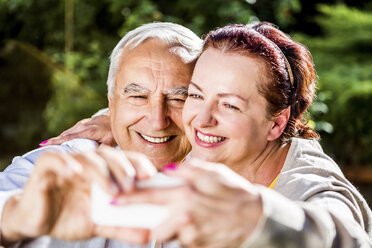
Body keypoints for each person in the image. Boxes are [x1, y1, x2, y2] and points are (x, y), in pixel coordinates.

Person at [46, 22, 372, 247]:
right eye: (196, 95)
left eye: (229, 105)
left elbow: (342, 235)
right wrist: (117, 118)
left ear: (276, 123)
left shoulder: (310, 181)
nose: (201, 120)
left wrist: (253, 216)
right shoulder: (209, 149)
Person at [0, 22, 203, 247]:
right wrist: (14, 217)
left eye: (178, 99)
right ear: (111, 104)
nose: (157, 121)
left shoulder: (227, 167)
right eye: (137, 97)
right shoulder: (64, 165)